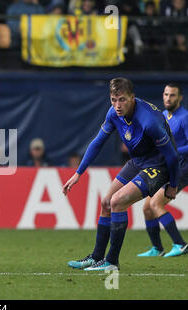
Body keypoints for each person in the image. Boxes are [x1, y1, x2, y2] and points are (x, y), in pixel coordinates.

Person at [63, 78, 180, 271]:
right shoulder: (114, 113)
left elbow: (173, 157)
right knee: (106, 202)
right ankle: (96, 257)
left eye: (122, 100)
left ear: (132, 98)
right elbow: (97, 142)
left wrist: (173, 185)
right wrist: (78, 173)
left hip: (159, 166)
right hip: (138, 161)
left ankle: (111, 262)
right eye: (113, 100)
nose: (117, 105)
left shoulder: (149, 121)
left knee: (118, 201)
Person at [138, 83, 188, 257]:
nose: (168, 98)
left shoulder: (185, 117)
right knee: (147, 208)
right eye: (166, 94)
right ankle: (157, 248)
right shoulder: (163, 115)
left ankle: (180, 244)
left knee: (155, 204)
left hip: (182, 168)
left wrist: (171, 150)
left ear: (180, 98)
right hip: (166, 167)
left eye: (172, 95)